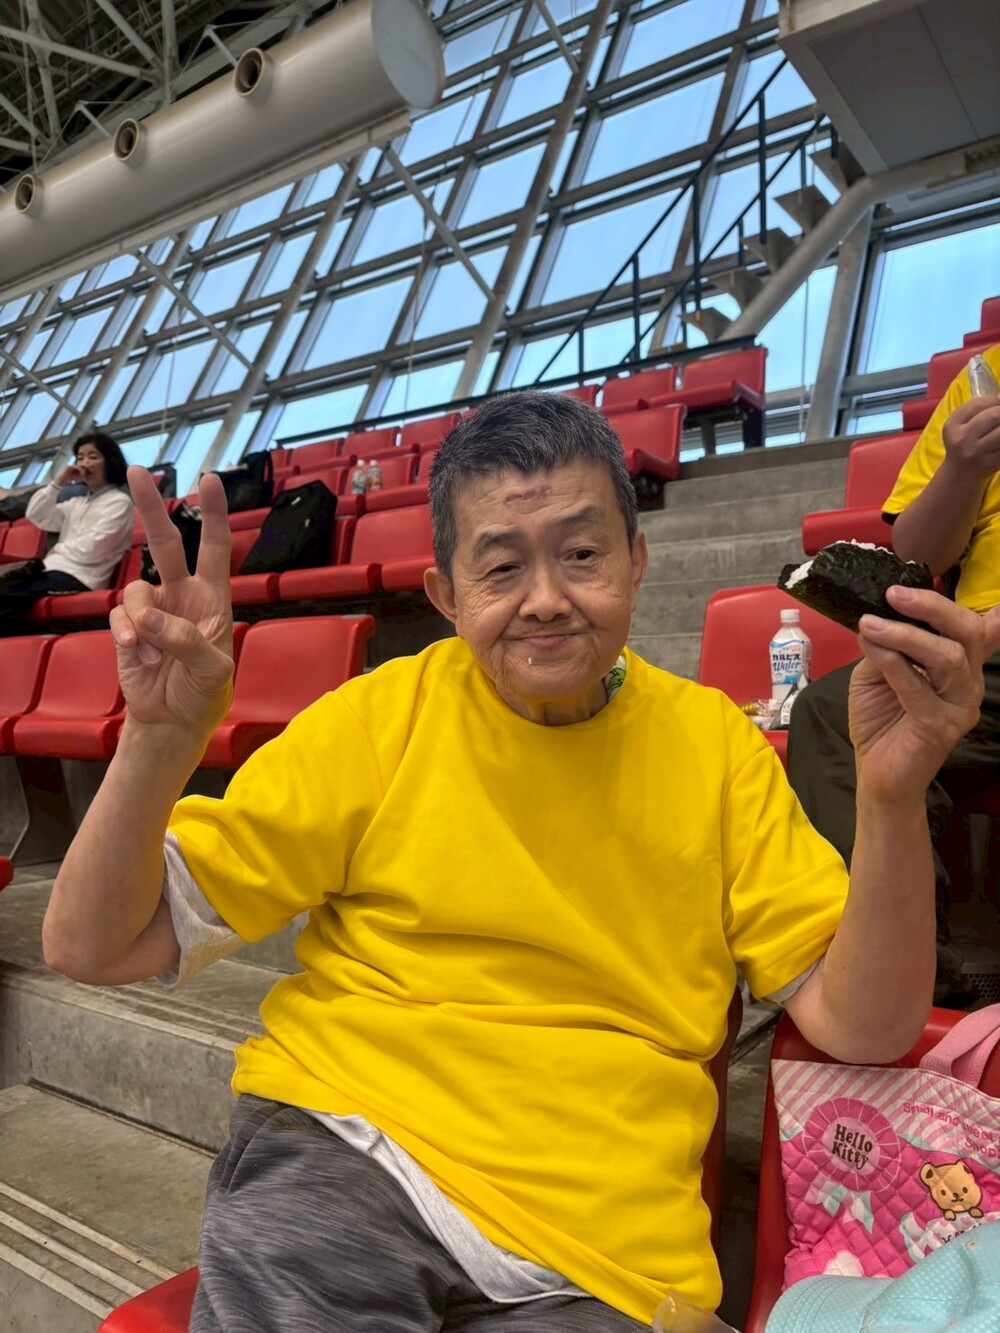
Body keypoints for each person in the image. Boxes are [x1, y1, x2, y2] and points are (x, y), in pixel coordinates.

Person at [41, 392, 1000, 1330]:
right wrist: (157, 742)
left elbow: (866, 1026)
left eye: (581, 554)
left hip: (605, 1256)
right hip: (355, 1147)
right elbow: (95, 944)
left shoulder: (717, 749)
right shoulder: (377, 721)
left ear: (637, 561)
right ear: (446, 596)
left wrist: (890, 795)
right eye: (501, 567)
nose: (546, 600)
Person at [788, 345, 1000, 1005]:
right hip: (981, 650)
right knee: (833, 711)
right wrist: (963, 467)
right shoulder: (985, 378)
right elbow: (918, 554)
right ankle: (899, 983)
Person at [0, 431, 133, 629]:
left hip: (79, 579)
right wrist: (59, 481)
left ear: (110, 461)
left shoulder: (119, 502)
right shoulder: (76, 503)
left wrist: (59, 548)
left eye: (92, 457)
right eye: (80, 457)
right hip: (50, 573)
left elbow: (93, 549)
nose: (84, 463)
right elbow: (36, 514)